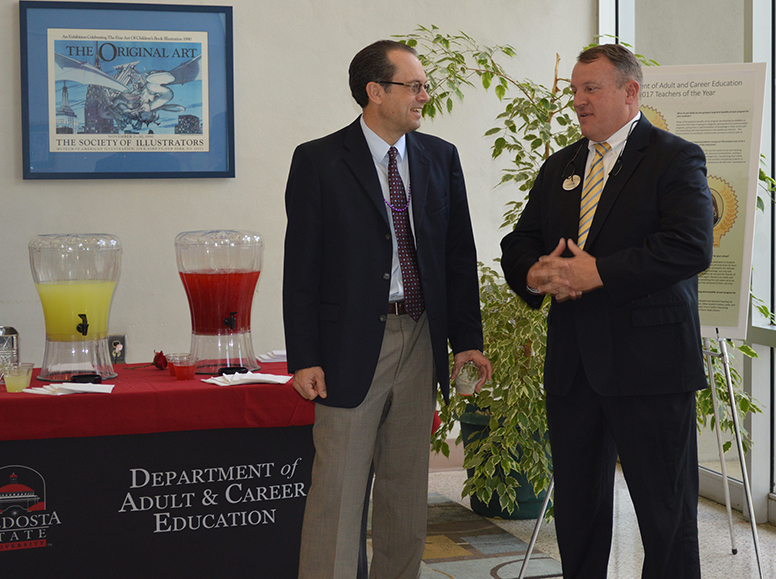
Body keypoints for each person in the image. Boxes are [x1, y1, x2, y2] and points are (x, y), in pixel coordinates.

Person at [500, 44, 713, 579]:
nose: (578, 101)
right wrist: (534, 272)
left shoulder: (674, 157)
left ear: (629, 91)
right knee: (578, 512)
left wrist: (599, 272)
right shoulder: (562, 165)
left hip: (652, 367)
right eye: (574, 90)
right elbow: (520, 240)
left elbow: (690, 246)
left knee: (665, 516)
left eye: (590, 89)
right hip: (575, 366)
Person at [283, 39, 492, 579]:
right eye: (415, 85)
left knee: (405, 491)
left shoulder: (440, 157)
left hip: (421, 337)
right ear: (376, 92)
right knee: (338, 491)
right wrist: (304, 356)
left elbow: (457, 256)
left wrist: (468, 339)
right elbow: (301, 268)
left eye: (424, 85)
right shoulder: (319, 160)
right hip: (350, 343)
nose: (426, 94)